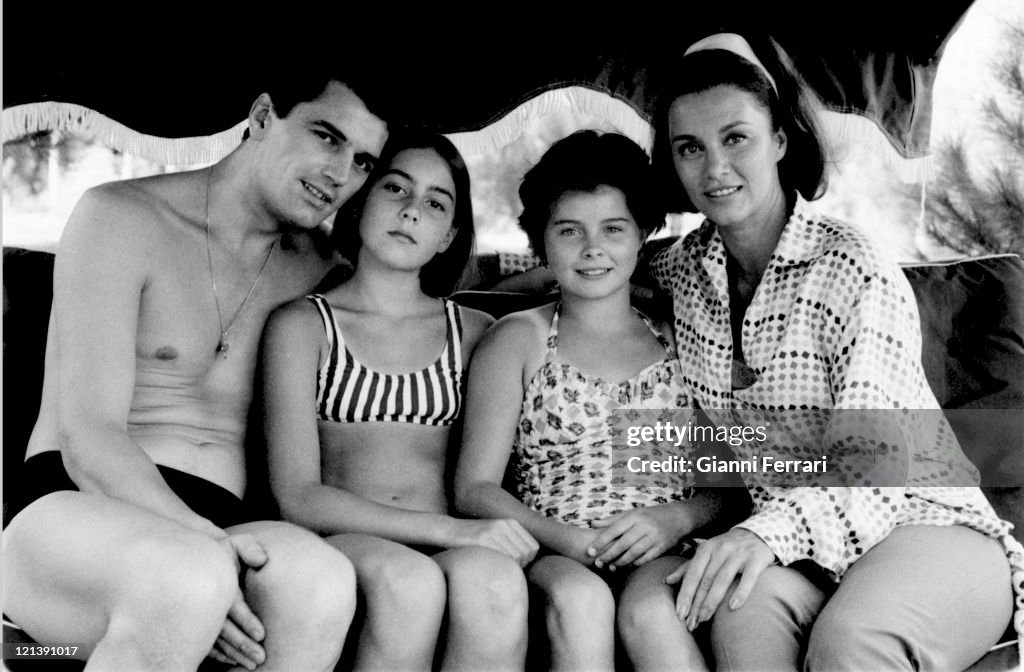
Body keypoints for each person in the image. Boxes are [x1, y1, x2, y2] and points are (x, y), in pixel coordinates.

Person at [639, 32, 1024, 670]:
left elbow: (872, 465)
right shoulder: (683, 270)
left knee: (850, 642)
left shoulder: (852, 265)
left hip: (920, 522)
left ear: (780, 141)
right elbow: (598, 265)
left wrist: (760, 533)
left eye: (736, 137)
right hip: (799, 550)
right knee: (738, 609)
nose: (714, 169)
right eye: (690, 148)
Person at [2, 68, 390, 671]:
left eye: (364, 161)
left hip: (223, 519)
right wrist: (204, 542)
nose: (341, 175)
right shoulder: (120, 217)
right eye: (327, 136)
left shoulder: (318, 270)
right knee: (186, 581)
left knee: (321, 582)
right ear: (262, 116)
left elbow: (415, 300)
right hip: (73, 503)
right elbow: (89, 436)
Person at [454, 130, 739, 671]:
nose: (592, 249)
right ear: (541, 241)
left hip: (658, 545)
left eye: (613, 229)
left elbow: (724, 483)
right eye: (569, 231)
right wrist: (568, 540)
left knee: (654, 613)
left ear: (642, 236)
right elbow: (474, 488)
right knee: (580, 602)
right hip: (553, 547)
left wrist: (674, 520)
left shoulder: (679, 339)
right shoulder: (519, 339)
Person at [261, 129, 534, 672]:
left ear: (447, 235)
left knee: (499, 581)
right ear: (360, 201)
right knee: (409, 582)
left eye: (435, 203)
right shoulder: (304, 325)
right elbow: (297, 495)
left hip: (452, 538)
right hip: (344, 539)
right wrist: (452, 530)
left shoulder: (477, 333)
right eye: (395, 189)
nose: (411, 211)